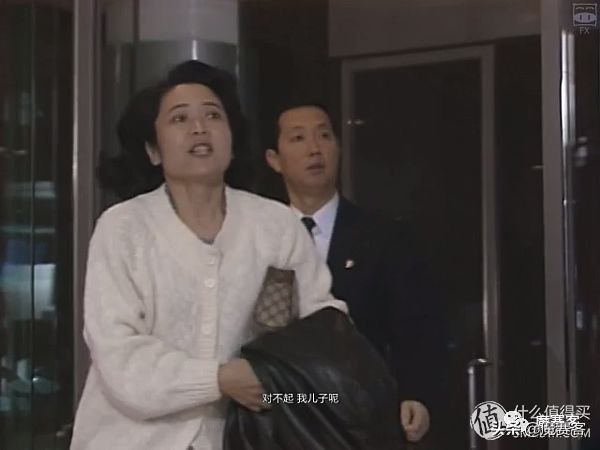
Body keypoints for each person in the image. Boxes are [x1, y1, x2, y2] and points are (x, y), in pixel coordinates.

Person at [70, 61, 347, 450]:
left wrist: (279, 387)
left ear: (232, 140)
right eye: (180, 118)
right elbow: (118, 354)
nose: (199, 128)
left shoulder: (276, 225)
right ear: (153, 150)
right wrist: (218, 379)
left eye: (213, 115)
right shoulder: (123, 227)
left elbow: (324, 330)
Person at [265, 102, 446, 443]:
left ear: (338, 148)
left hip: (362, 414)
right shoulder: (260, 238)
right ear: (274, 159)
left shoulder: (383, 237)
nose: (314, 149)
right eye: (298, 138)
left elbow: (417, 326)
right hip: (280, 413)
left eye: (324, 136)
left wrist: (416, 394)